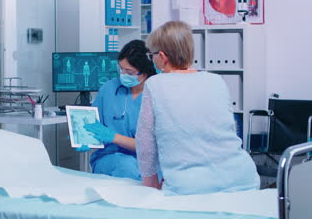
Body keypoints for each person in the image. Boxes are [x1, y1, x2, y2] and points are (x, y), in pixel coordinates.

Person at [136, 21, 259, 195]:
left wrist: (151, 185)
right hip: (243, 177)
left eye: (152, 55)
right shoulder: (216, 80)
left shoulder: (155, 85)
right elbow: (229, 129)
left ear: (162, 57)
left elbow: (146, 143)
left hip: (191, 187)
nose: (152, 59)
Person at [77, 40, 156, 181]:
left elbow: (152, 145)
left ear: (144, 73)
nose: (123, 74)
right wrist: (83, 137)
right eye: (121, 68)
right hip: (109, 158)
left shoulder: (157, 94)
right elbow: (92, 122)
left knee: (140, 171)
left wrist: (114, 137)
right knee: (127, 167)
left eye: (129, 71)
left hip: (149, 161)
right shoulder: (109, 89)